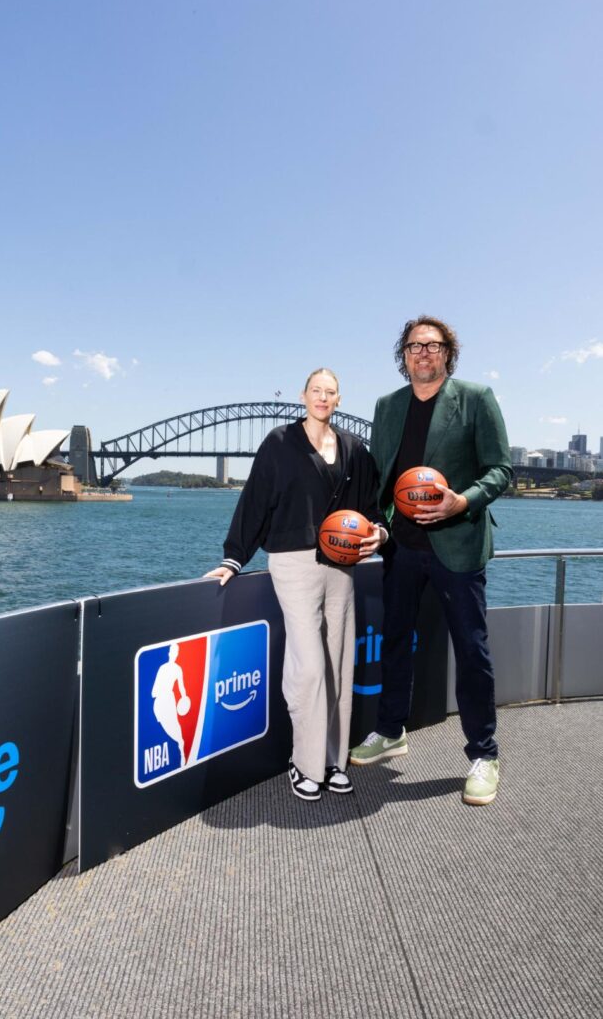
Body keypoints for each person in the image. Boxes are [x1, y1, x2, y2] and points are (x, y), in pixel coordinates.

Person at [349, 316, 512, 806]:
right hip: (401, 547)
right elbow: (380, 475)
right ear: (403, 355)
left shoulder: (477, 398)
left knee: (472, 651)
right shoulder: (387, 406)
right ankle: (390, 729)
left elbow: (500, 469)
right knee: (396, 641)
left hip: (457, 544)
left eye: (433, 345)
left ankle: (484, 755)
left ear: (448, 353)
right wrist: (376, 523)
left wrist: (463, 501)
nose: (423, 353)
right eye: (414, 346)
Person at [206, 368, 387, 801]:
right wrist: (234, 556)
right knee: (308, 668)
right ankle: (303, 764)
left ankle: (333, 761)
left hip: (340, 566)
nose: (323, 397)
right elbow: (254, 501)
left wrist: (379, 531)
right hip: (292, 561)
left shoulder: (353, 449)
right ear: (303, 396)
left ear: (339, 399)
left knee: (338, 667)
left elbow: (372, 506)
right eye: (316, 390)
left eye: (330, 392)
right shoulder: (279, 443)